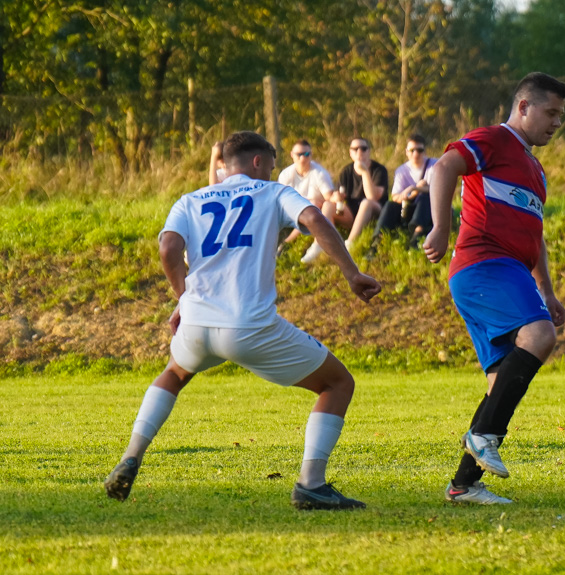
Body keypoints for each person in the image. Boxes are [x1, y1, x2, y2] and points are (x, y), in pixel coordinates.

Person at [104, 131, 382, 510]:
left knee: (173, 374)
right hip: (248, 325)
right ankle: (311, 485)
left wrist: (183, 298)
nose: (272, 172)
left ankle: (132, 454)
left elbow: (168, 248)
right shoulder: (270, 193)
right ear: (256, 162)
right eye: (270, 165)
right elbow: (315, 216)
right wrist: (351, 273)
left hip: (197, 324)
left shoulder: (190, 199)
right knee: (337, 382)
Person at [424, 72, 565, 504]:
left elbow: (534, 234)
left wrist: (547, 289)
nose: (557, 122)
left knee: (497, 384)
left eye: (561, 115)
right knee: (540, 335)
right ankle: (485, 435)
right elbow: (445, 166)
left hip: (507, 273)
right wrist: (440, 227)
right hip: (484, 262)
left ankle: (463, 485)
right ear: (523, 106)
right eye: (551, 112)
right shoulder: (495, 139)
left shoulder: (535, 169)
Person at [367, 135, 436, 256]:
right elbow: (395, 196)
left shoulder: (434, 166)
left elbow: (440, 189)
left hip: (429, 210)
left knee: (426, 197)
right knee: (390, 205)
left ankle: (417, 236)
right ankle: (377, 241)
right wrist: (413, 193)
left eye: (419, 150)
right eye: (412, 150)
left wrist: (418, 189)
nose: (416, 154)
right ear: (406, 152)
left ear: (425, 151)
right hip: (407, 209)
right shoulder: (401, 170)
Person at [276, 139, 338, 263]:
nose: (302, 158)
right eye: (299, 154)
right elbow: (280, 201)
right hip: (291, 212)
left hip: (314, 213)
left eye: (306, 154)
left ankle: (288, 243)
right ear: (292, 155)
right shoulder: (285, 175)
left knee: (312, 205)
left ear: (311, 154)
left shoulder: (319, 173)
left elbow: (329, 198)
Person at [334, 137, 388, 250]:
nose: (359, 152)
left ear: (369, 151)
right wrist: (336, 197)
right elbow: (339, 196)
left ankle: (349, 244)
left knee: (366, 203)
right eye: (355, 149)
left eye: (363, 148)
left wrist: (365, 172)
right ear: (350, 153)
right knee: (328, 205)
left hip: (375, 211)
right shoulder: (346, 171)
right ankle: (323, 242)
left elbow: (372, 197)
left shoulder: (379, 170)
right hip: (352, 213)